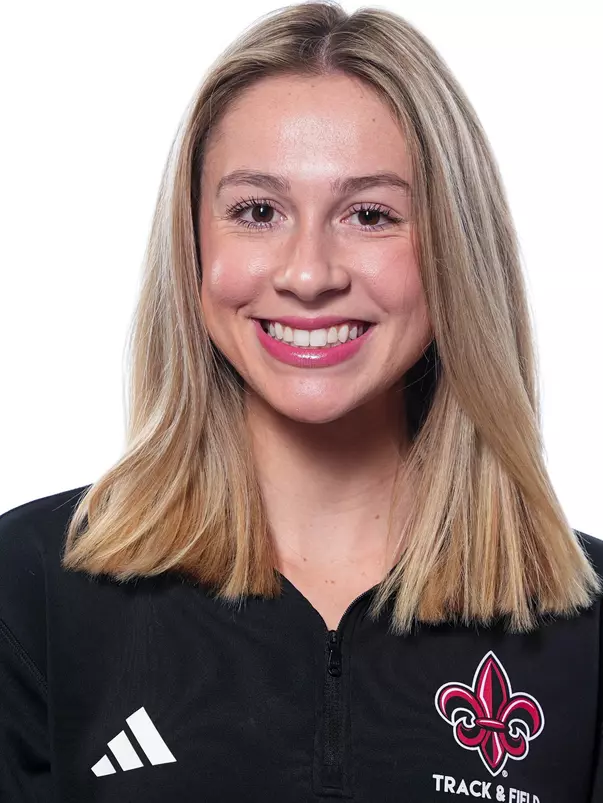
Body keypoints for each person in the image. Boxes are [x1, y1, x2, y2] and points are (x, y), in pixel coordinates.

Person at [1, 2, 601, 801]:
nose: (309, 273)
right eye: (257, 211)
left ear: (454, 248)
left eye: (370, 214)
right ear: (195, 246)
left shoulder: (586, 628)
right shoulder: (32, 585)